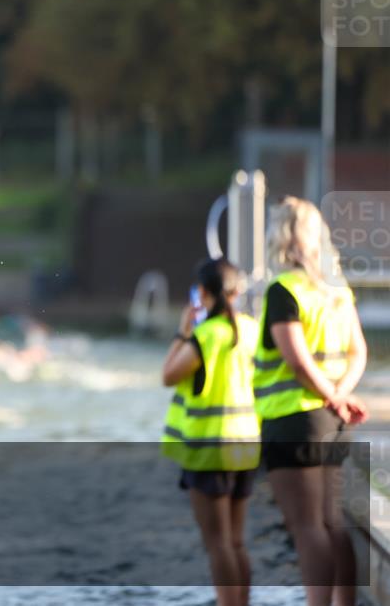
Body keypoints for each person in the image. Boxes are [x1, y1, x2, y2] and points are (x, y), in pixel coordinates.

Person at [253, 197, 367, 606]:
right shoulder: (336, 291)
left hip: (293, 420)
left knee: (306, 527)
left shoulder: (283, 290)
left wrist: (330, 395)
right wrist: (340, 396)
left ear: (280, 237)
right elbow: (359, 352)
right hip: (333, 421)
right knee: (332, 523)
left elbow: (297, 363)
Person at [161, 258, 260, 606]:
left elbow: (168, 375)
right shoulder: (252, 329)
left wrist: (181, 332)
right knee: (235, 541)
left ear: (202, 293)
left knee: (217, 543)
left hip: (209, 450)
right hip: (246, 446)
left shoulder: (205, 335)